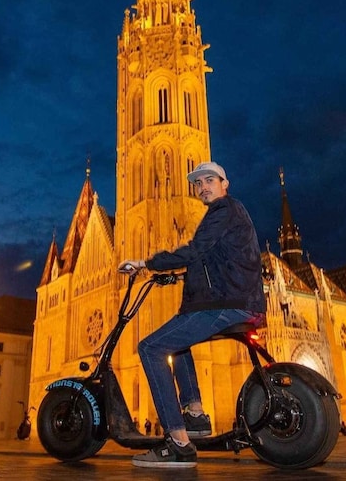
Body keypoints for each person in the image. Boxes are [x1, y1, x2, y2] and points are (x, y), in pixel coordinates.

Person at [118, 161, 266, 469]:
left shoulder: (224, 210)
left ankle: (179, 442)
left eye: (209, 180)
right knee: (177, 337)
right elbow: (213, 261)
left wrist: (146, 264)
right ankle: (195, 414)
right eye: (198, 183)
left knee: (150, 348)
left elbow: (196, 250)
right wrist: (176, 277)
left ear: (225, 183)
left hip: (226, 304)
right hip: (230, 299)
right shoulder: (227, 214)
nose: (203, 187)